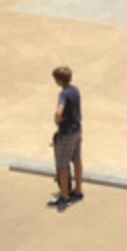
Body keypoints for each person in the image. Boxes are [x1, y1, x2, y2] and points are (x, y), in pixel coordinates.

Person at [50, 66, 83, 207]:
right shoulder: (75, 90)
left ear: (59, 80)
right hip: (77, 130)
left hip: (66, 134)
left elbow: (60, 111)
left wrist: (57, 119)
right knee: (77, 160)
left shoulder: (63, 94)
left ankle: (64, 195)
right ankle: (78, 190)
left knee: (62, 165)